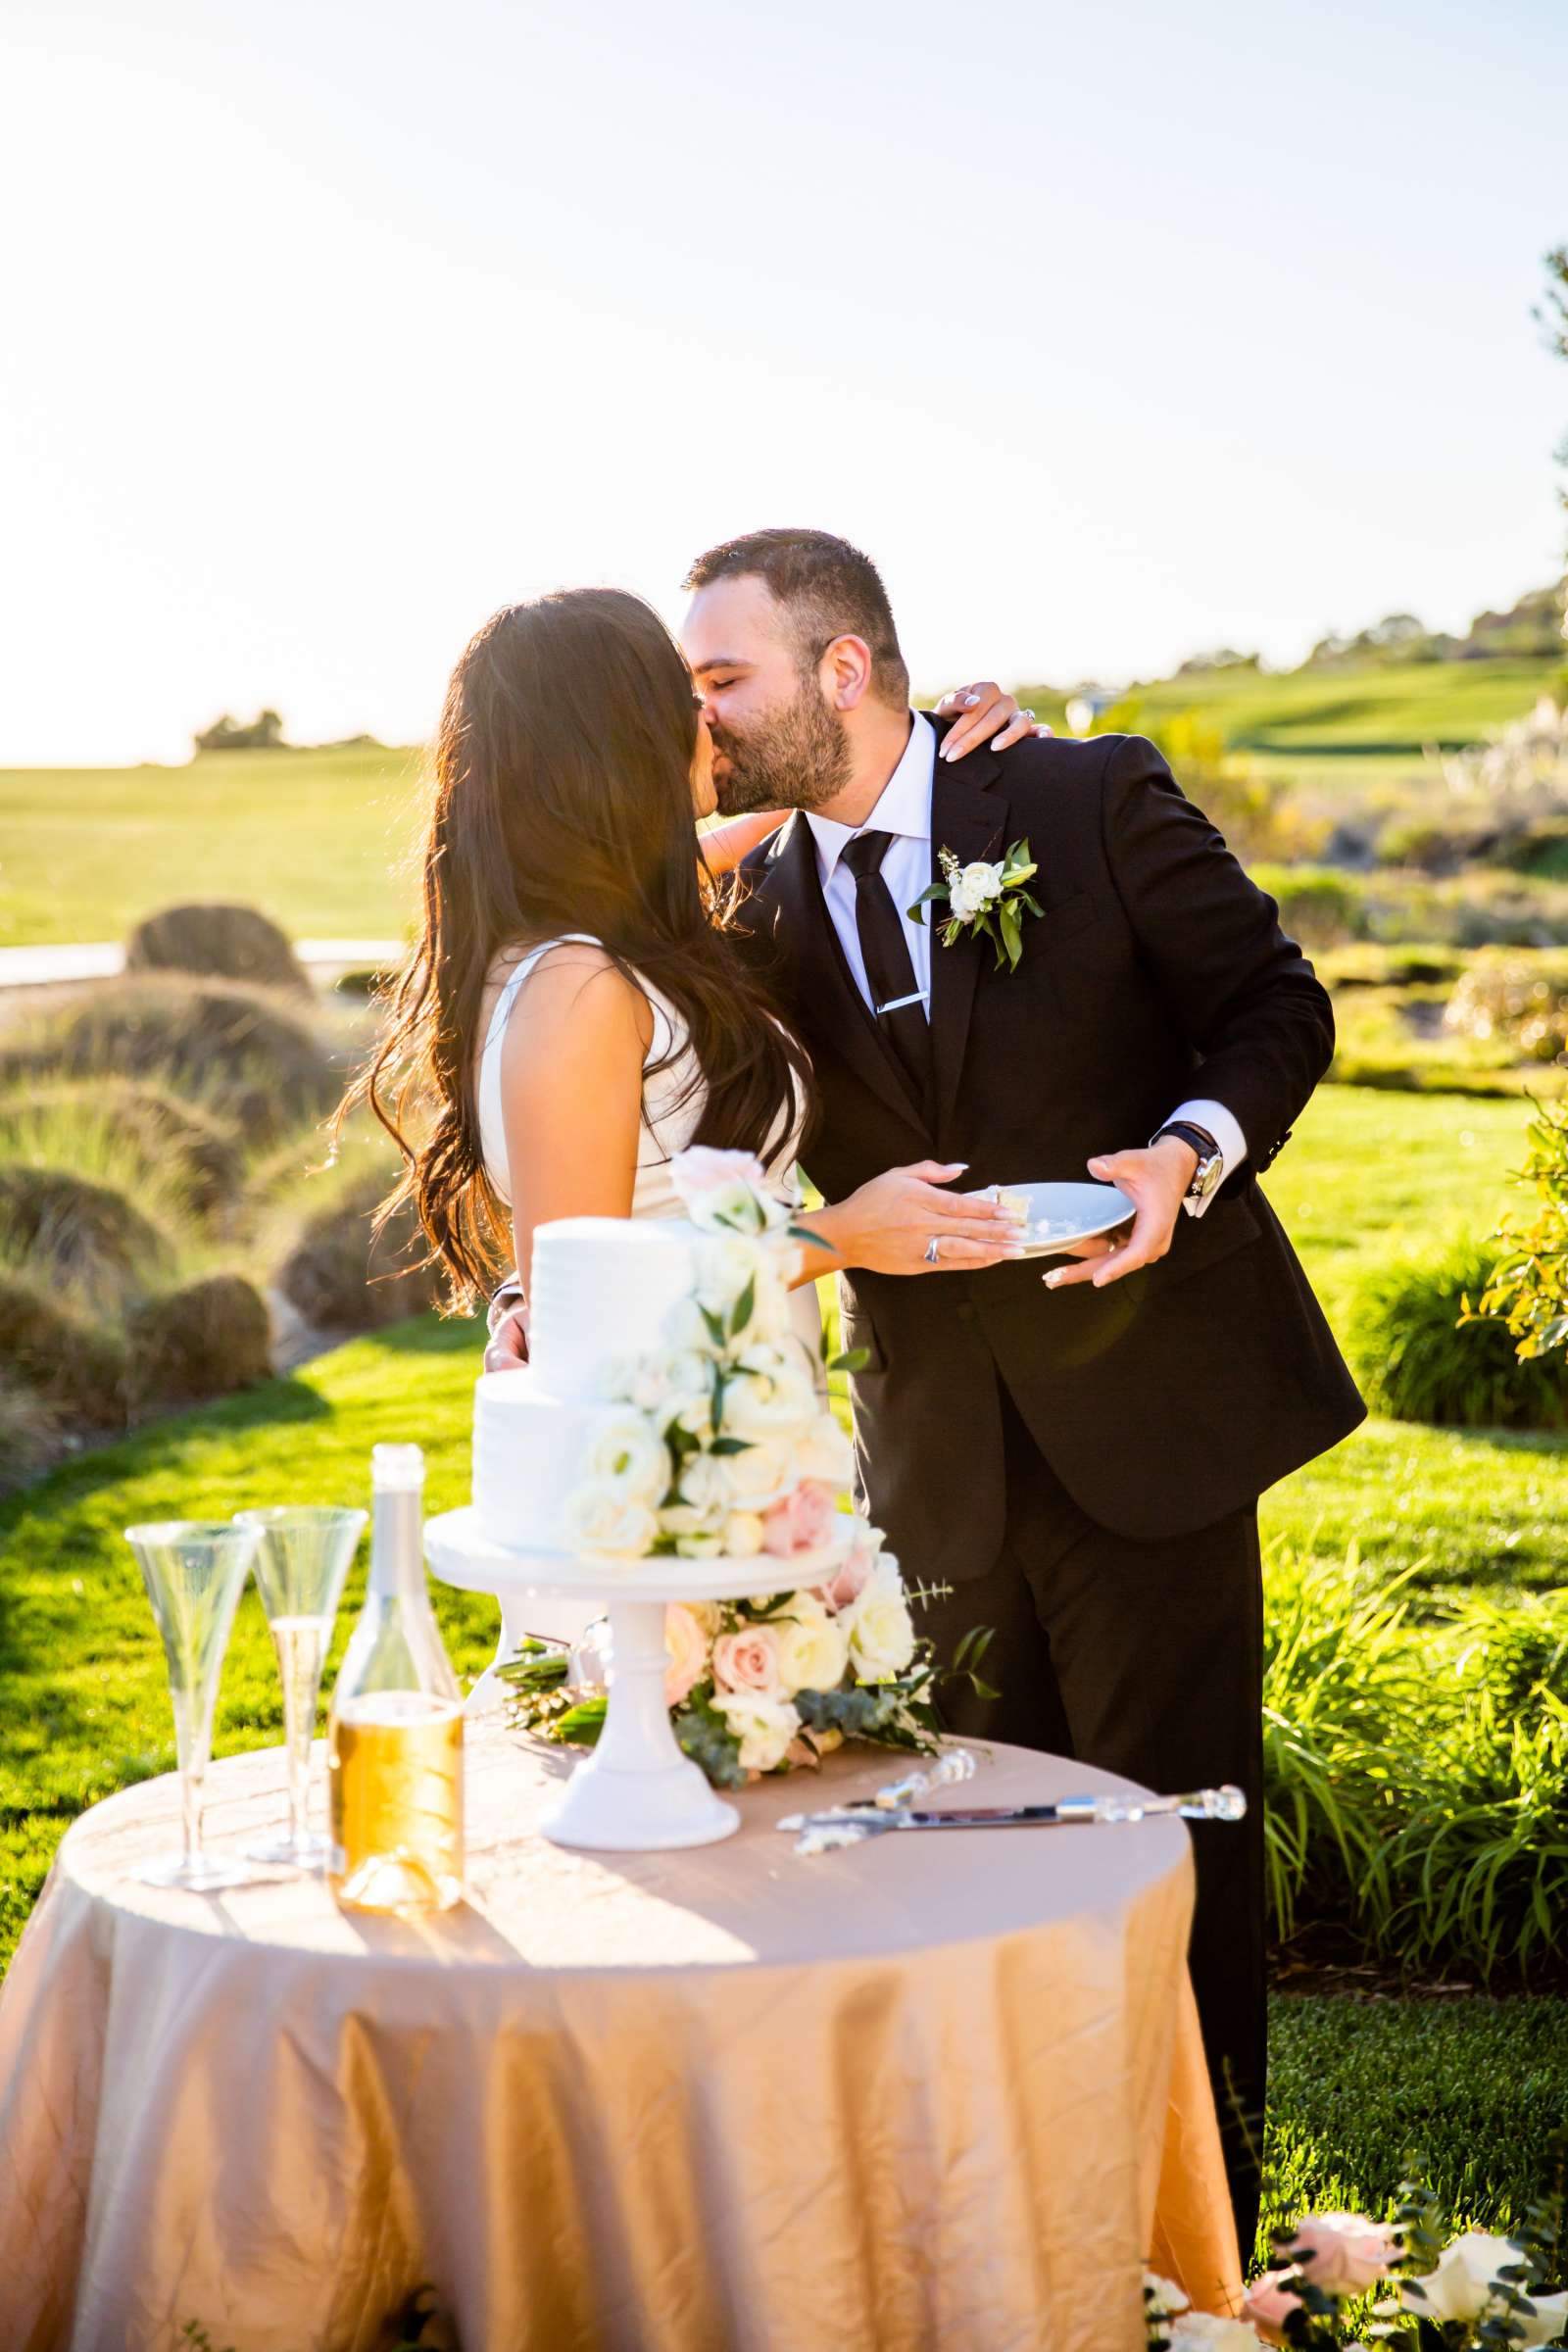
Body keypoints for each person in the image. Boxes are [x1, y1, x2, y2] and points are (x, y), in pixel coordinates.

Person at [497, 528, 1365, 2257]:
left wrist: (1188, 1156)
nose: (700, 715)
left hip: (1153, 1425)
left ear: (842, 667)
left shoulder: (1082, 794)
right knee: (967, 1859)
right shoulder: (730, 899)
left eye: (721, 678)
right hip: (921, 1461)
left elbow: (1274, 1006)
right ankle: (1012, 2238)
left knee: (1178, 1855)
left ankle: (1198, 2252)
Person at [355, 587, 1040, 1374]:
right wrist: (843, 1234)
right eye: (686, 698)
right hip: (675, 1448)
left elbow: (797, 810)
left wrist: (948, 752)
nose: (709, 717)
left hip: (738, 1426)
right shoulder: (579, 986)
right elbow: (580, 1295)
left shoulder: (595, 926)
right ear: (618, 739)